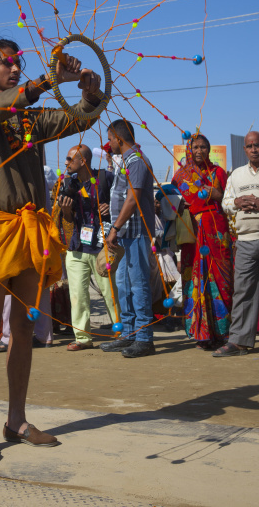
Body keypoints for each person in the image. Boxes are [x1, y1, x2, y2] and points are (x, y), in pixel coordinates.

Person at [0, 37, 102, 466]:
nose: (15, 69)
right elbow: (3, 105)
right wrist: (48, 79)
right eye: (8, 64)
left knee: (23, 325)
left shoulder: (30, 118)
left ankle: (16, 421)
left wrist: (89, 92)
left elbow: (79, 120)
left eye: (19, 64)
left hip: (31, 229)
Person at [214, 131, 259, 357]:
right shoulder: (236, 175)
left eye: (257, 145)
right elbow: (226, 203)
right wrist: (237, 201)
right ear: (244, 149)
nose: (253, 149)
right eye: (249, 146)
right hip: (245, 240)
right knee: (243, 291)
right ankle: (239, 342)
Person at [171, 134, 234, 349]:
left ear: (209, 150)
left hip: (216, 234)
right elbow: (172, 204)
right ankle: (202, 334)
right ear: (189, 150)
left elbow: (230, 202)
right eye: (195, 147)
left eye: (204, 147)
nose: (199, 151)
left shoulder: (219, 173)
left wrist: (218, 194)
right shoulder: (181, 176)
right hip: (192, 236)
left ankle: (223, 334)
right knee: (193, 281)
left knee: (222, 282)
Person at [100, 120, 156, 358]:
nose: (109, 143)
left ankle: (144, 337)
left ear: (119, 139)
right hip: (124, 236)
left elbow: (133, 199)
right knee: (123, 286)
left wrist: (115, 227)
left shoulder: (137, 161)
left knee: (139, 283)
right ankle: (129, 334)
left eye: (110, 139)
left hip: (136, 232)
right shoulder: (125, 162)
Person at [58, 144, 119, 351]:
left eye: (69, 159)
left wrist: (110, 208)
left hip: (102, 246)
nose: (66, 163)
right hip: (77, 247)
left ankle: (121, 333)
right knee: (77, 295)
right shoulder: (68, 184)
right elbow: (67, 218)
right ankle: (82, 338)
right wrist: (66, 211)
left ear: (82, 161)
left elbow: (123, 200)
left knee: (110, 294)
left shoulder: (105, 178)